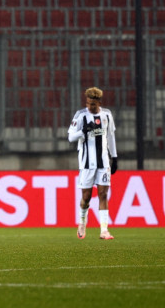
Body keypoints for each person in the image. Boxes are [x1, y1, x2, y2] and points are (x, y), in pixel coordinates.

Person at [68, 87, 118, 240]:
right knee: (87, 197)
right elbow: (70, 137)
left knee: (103, 194)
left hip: (103, 162)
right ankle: (82, 222)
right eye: (88, 103)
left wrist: (114, 157)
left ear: (99, 103)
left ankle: (104, 230)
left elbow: (110, 137)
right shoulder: (80, 115)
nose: (90, 107)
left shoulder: (107, 115)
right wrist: (83, 131)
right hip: (86, 163)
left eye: (93, 104)